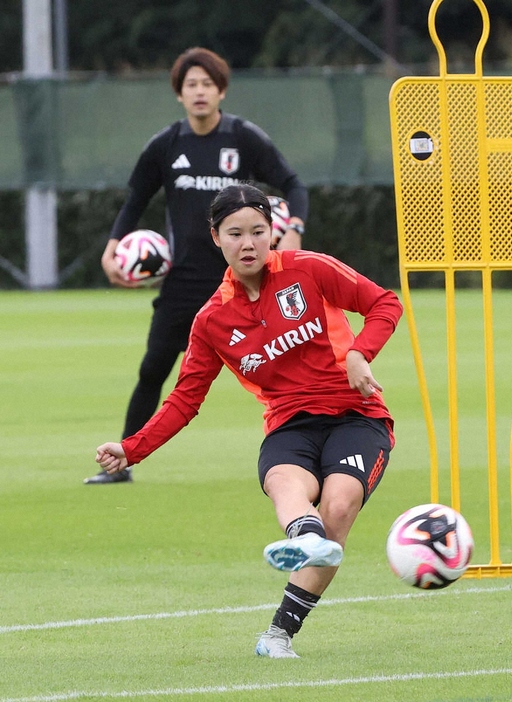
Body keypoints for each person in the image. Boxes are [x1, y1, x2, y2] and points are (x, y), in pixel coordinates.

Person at [95, 184, 403, 658]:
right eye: (235, 234)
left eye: (259, 232)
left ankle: (280, 630)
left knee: (339, 505)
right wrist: (131, 448)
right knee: (285, 483)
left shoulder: (308, 269)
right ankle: (306, 540)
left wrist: (361, 354)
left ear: (272, 232)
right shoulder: (212, 319)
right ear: (216, 237)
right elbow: (184, 400)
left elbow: (385, 302)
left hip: (356, 415)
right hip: (290, 425)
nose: (249, 243)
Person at [85, 47, 308, 484]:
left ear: (221, 90)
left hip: (245, 284)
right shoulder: (166, 145)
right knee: (153, 369)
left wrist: (295, 225)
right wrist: (112, 247)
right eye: (191, 85)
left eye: (208, 83)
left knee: (286, 369)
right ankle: (123, 461)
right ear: (179, 94)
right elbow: (135, 201)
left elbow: (292, 183)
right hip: (185, 283)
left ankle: (308, 453)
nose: (200, 92)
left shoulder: (243, 138)